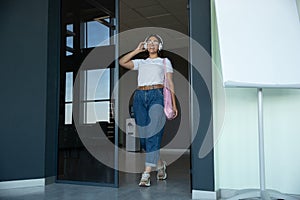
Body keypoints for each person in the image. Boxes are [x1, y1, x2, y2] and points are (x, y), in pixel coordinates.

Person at [119, 34, 178, 187]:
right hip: (139, 96)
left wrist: (173, 103)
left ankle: (146, 173)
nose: (152, 44)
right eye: (149, 42)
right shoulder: (141, 62)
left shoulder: (164, 62)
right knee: (144, 137)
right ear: (145, 45)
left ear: (160, 46)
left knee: (153, 133)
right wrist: (136, 50)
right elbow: (122, 62)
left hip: (156, 95)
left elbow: (170, 82)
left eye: (155, 42)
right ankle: (159, 164)